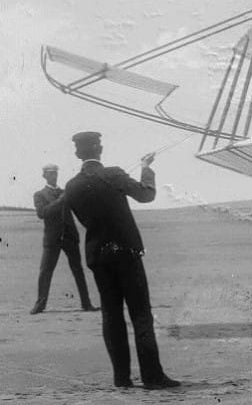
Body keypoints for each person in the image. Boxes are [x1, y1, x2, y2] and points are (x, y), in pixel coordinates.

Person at [62, 132, 180, 390]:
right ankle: (152, 376)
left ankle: (121, 378)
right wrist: (146, 168)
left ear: (77, 154)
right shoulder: (114, 174)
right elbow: (146, 195)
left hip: (98, 255)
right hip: (126, 252)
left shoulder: (71, 186)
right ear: (100, 148)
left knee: (111, 315)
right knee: (141, 314)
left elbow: (83, 218)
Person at [30, 164, 98, 314]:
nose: (54, 176)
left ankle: (86, 304)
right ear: (44, 176)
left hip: (70, 237)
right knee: (45, 271)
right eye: (50, 173)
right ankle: (40, 305)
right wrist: (60, 201)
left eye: (55, 173)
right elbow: (42, 213)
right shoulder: (39, 195)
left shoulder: (65, 192)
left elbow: (80, 209)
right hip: (52, 239)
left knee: (78, 271)